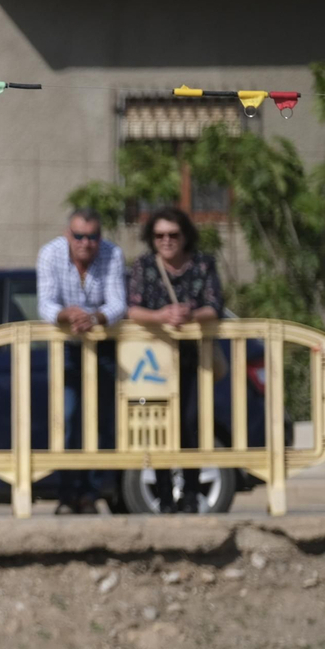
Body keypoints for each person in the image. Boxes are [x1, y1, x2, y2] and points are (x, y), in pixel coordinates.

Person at [126, 207, 224, 513]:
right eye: (159, 235)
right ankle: (165, 496)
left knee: (191, 423)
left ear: (185, 236)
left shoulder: (203, 264)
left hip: (195, 358)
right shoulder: (144, 266)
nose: (166, 241)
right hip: (154, 362)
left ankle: (192, 493)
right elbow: (131, 308)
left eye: (173, 235)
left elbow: (215, 306)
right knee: (158, 427)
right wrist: (160, 316)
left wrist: (190, 314)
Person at [36, 208, 127, 515]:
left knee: (102, 422)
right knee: (68, 419)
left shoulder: (113, 254)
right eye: (79, 236)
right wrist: (67, 314)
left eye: (93, 236)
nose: (86, 243)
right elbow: (46, 303)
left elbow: (118, 303)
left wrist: (95, 317)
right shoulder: (50, 253)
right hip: (67, 347)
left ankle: (90, 494)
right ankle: (67, 495)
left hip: (103, 347)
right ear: (68, 235)